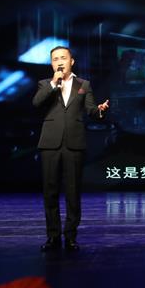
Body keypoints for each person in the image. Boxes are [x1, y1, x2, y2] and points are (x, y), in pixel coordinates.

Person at [32, 46, 110, 251]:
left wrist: (100, 111)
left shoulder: (83, 84)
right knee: (50, 192)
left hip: (74, 143)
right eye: (55, 59)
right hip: (50, 143)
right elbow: (37, 103)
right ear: (51, 64)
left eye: (63, 58)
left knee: (73, 192)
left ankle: (71, 236)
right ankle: (53, 237)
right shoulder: (44, 84)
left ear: (71, 61)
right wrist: (53, 83)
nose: (59, 62)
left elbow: (91, 110)